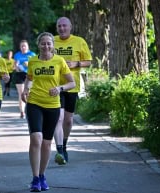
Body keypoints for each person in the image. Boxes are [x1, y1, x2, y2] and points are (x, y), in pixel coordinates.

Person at [21, 32, 75, 192]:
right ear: (38, 45)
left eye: (49, 43)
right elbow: (29, 78)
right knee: (36, 139)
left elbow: (71, 83)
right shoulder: (33, 61)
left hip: (52, 105)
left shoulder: (59, 61)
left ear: (53, 45)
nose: (46, 46)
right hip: (34, 103)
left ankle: (42, 175)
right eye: (43, 43)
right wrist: (25, 90)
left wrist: (60, 88)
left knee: (46, 143)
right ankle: (35, 178)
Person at [53, 17, 92, 164]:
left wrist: (76, 63)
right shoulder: (52, 41)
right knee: (59, 118)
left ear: (70, 27)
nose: (62, 28)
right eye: (59, 26)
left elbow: (88, 61)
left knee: (68, 121)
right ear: (57, 28)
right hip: (55, 86)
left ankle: (64, 143)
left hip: (72, 86)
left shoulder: (79, 41)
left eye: (64, 26)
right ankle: (60, 149)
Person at [14, 40, 36, 118]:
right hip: (19, 75)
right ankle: (22, 111)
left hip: (29, 75)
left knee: (28, 93)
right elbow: (15, 66)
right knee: (21, 94)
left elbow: (36, 66)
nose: (23, 47)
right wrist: (17, 67)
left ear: (28, 47)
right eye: (21, 46)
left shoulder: (32, 54)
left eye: (24, 46)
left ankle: (29, 110)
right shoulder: (17, 55)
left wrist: (28, 65)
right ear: (20, 47)